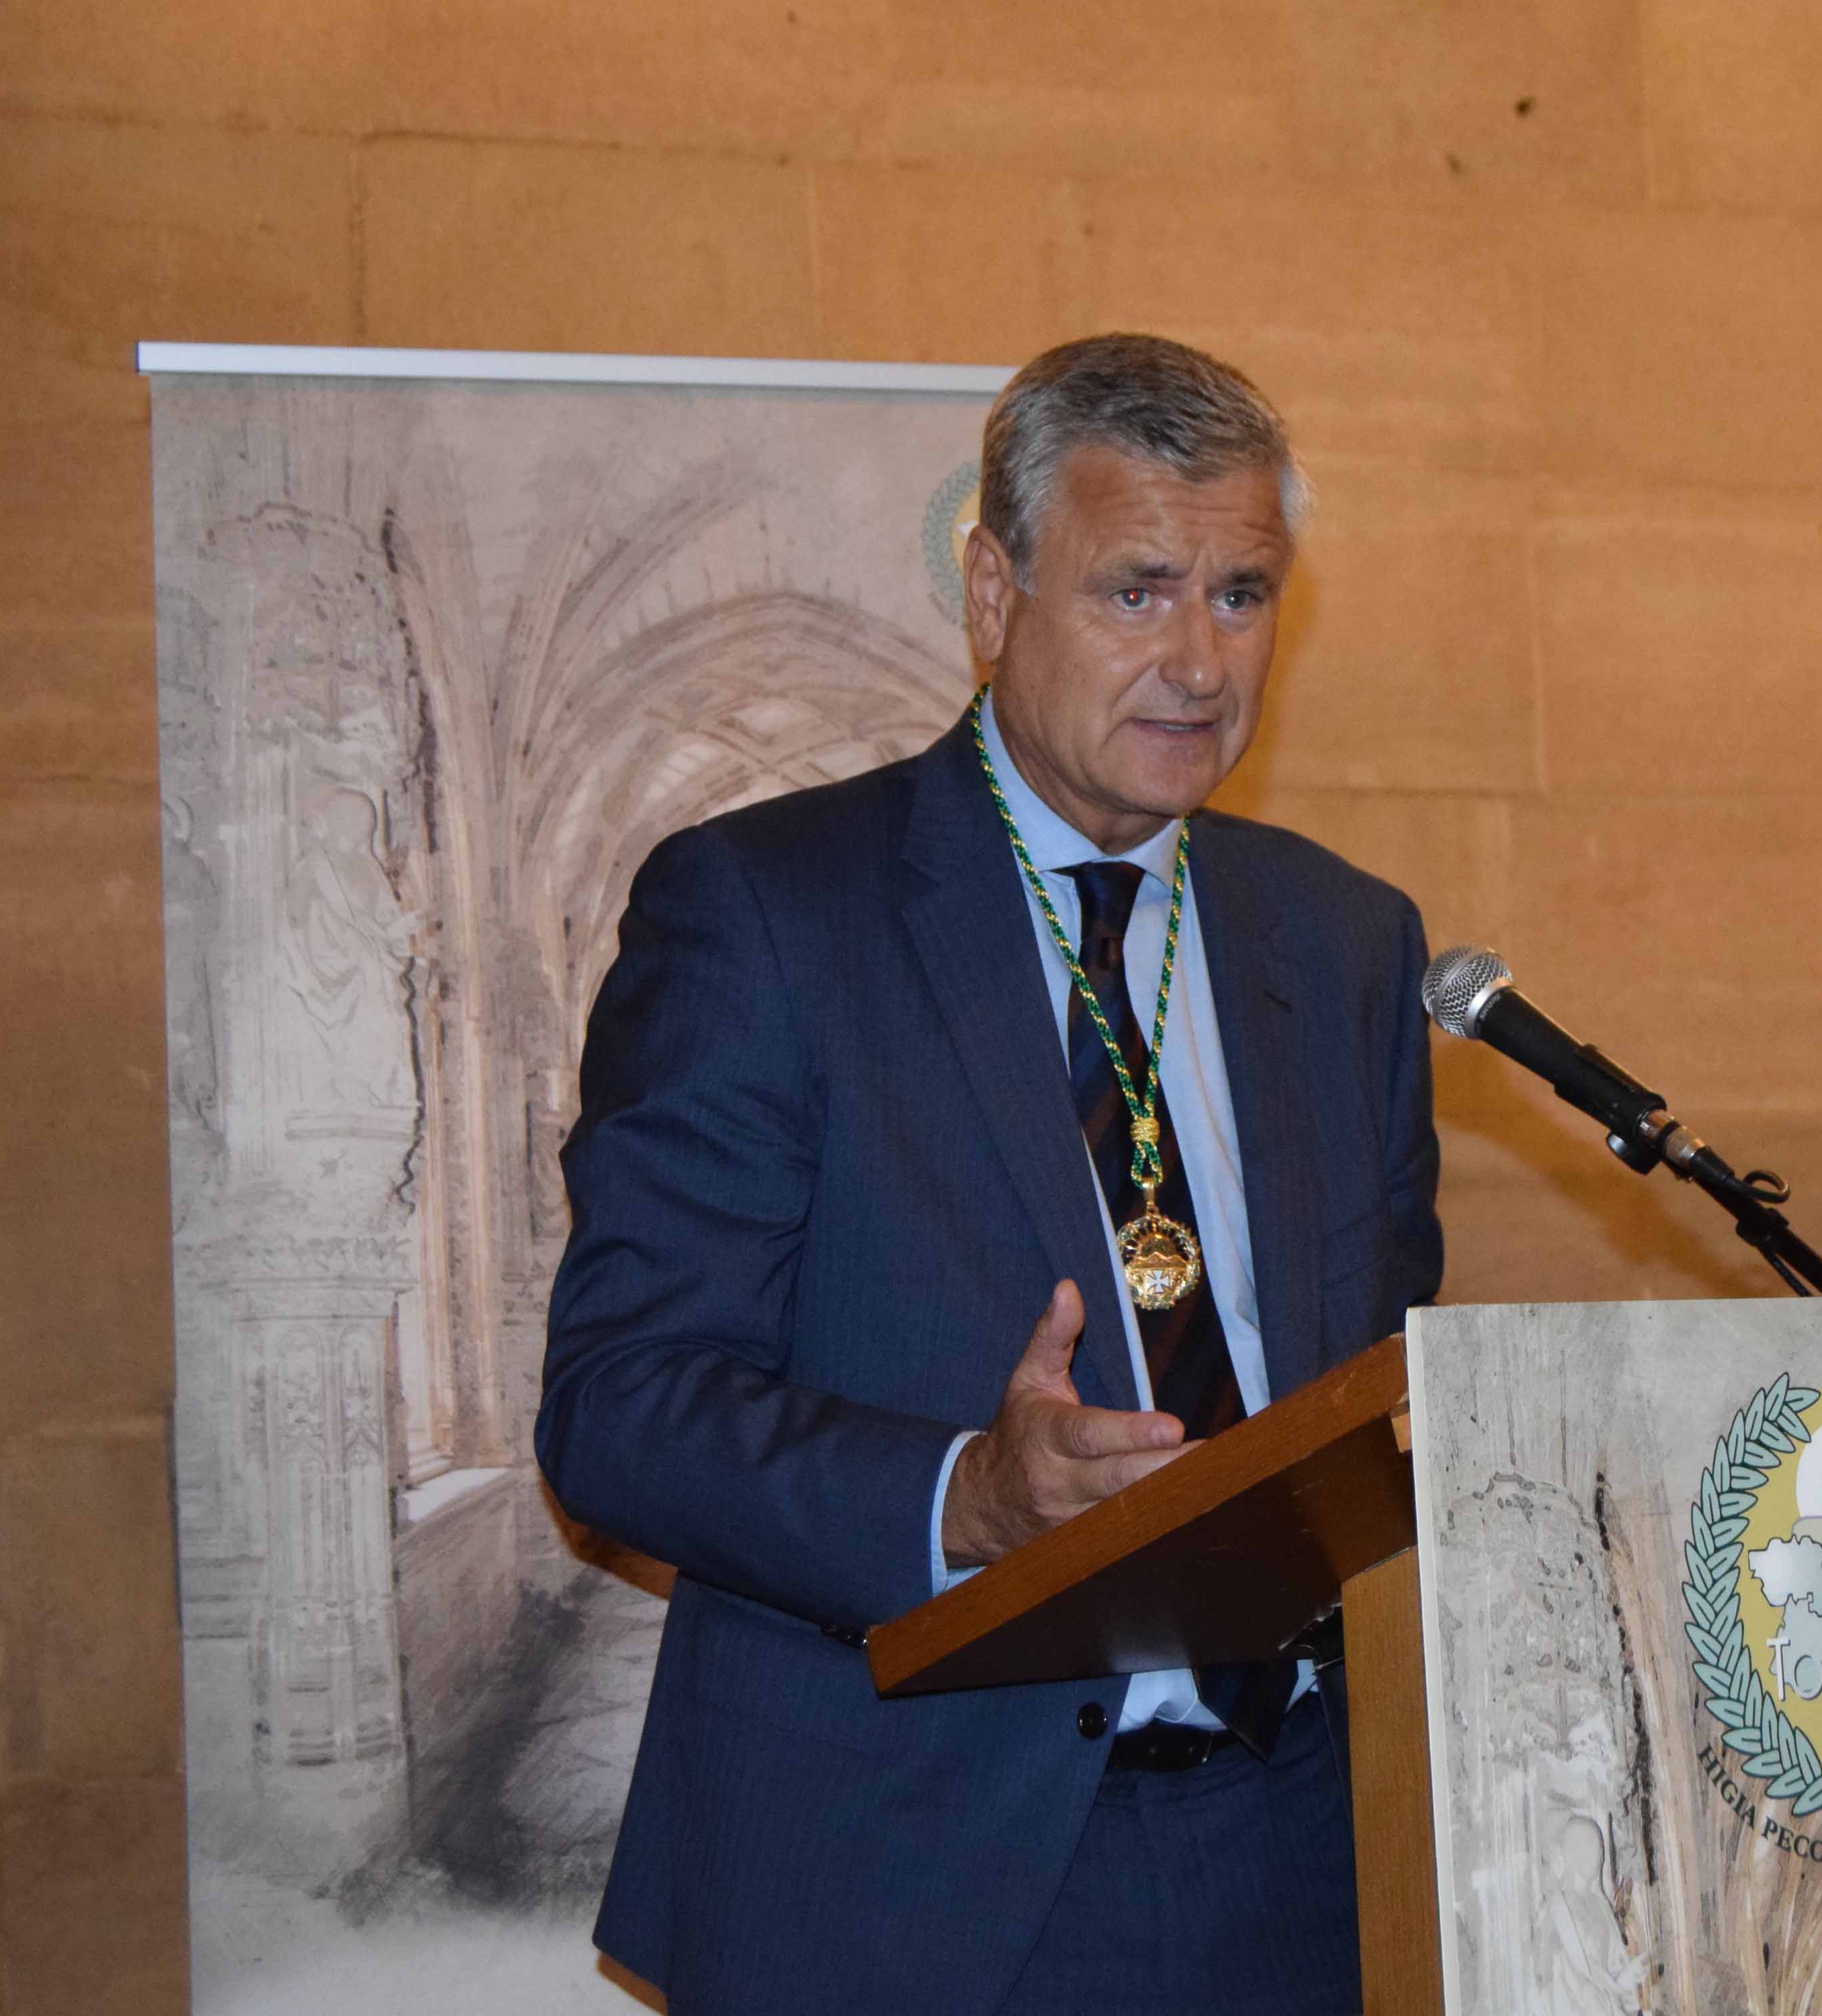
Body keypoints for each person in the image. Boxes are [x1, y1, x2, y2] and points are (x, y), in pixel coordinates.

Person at [536, 334, 1444, 2015]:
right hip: (911, 1875)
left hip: (1313, 1861)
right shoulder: (767, 912)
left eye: (1241, 594)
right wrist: (964, 1497)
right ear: (990, 591)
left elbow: (1385, 1396)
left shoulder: (1344, 941)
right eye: (1136, 590)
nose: (1197, 659)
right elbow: (620, 1408)